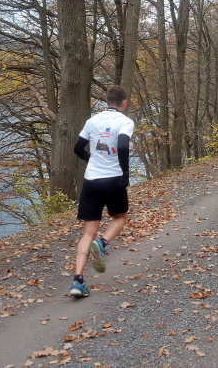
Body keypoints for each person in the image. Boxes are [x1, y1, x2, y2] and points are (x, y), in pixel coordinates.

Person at [70, 86, 134, 297]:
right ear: (124, 102)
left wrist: (90, 159)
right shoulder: (124, 121)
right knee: (120, 217)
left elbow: (78, 148)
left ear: (107, 101)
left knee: (88, 232)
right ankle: (102, 243)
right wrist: (125, 173)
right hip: (113, 179)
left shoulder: (92, 121)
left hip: (91, 180)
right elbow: (122, 146)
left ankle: (77, 282)